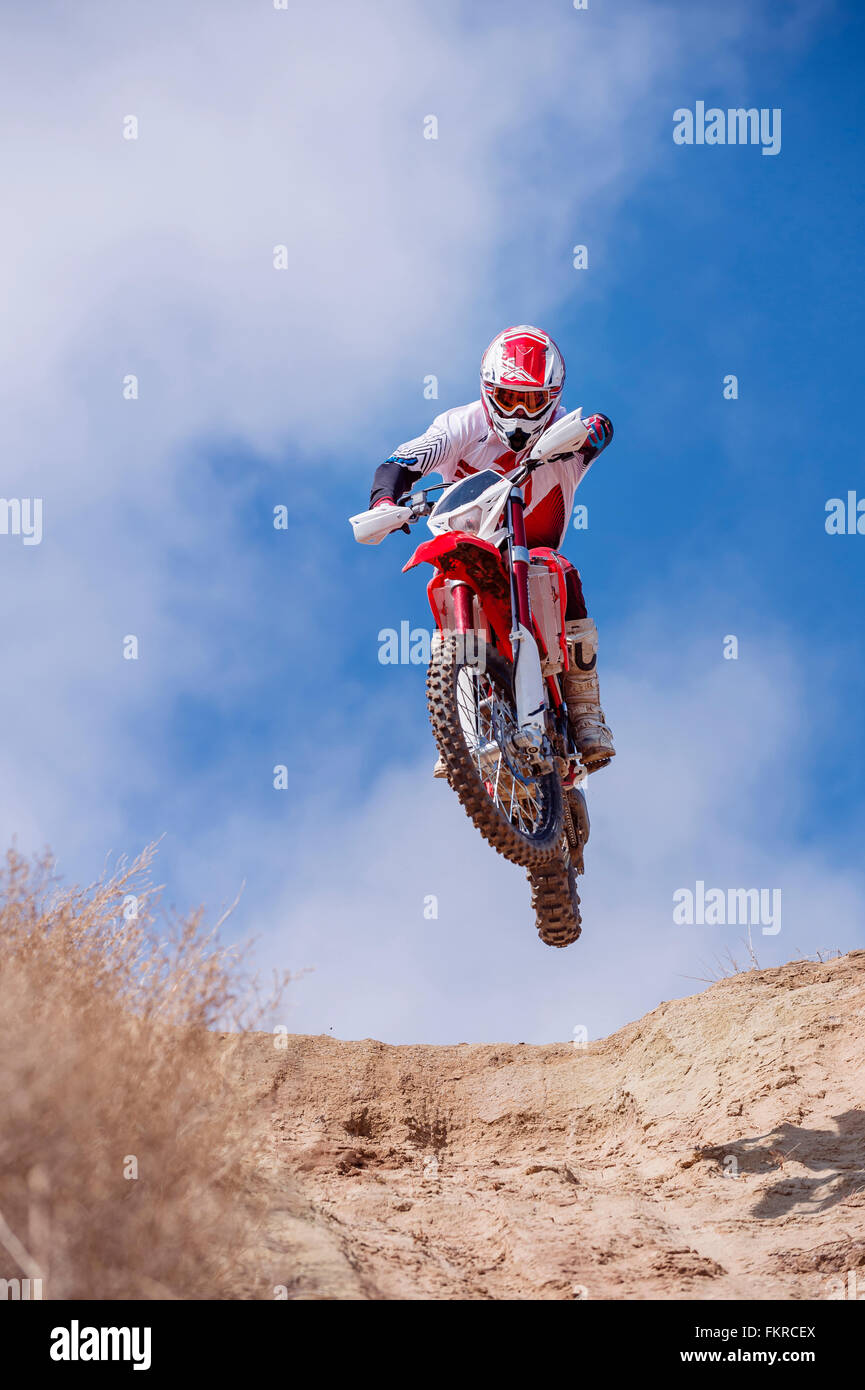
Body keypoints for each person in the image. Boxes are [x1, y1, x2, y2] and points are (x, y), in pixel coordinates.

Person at [368, 325, 615, 772]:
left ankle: (585, 715)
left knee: (559, 569)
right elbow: (403, 461)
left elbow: (600, 430)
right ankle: (458, 728)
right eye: (509, 398)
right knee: (446, 574)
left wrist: (593, 430)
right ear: (488, 391)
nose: (520, 413)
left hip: (533, 545)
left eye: (534, 401)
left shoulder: (563, 432)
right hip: (475, 537)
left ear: (553, 398)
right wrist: (386, 502)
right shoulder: (461, 425)